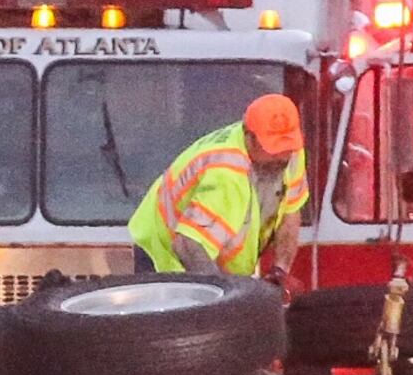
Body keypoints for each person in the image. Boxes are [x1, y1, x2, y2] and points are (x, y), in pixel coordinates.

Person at [129, 92, 307, 282]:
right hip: (163, 255)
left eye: (286, 147)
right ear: (249, 137)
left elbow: (291, 210)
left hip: (212, 258)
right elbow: (187, 245)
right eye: (272, 149)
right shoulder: (226, 174)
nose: (281, 156)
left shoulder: (291, 154)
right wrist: (224, 296)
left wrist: (280, 270)